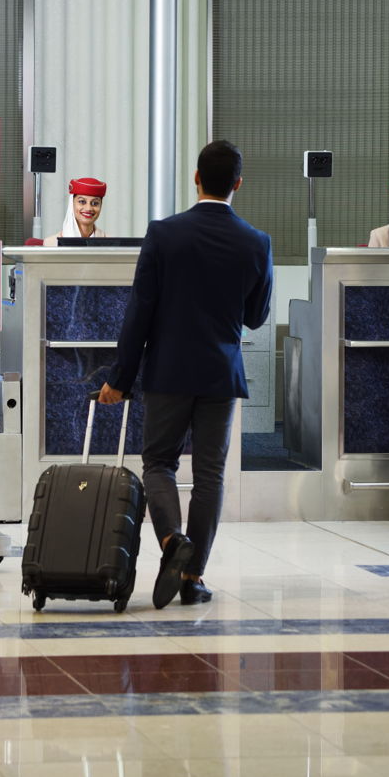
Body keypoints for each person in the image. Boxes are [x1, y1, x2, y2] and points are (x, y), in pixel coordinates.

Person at [98, 140, 273, 608]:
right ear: (238, 184)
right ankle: (193, 578)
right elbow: (257, 316)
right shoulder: (256, 242)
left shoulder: (163, 234)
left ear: (196, 178)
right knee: (210, 476)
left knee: (159, 463)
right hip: (220, 372)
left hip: (169, 371)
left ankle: (172, 540)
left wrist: (120, 378)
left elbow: (139, 312)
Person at [43, 177, 107, 245]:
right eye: (82, 202)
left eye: (95, 203)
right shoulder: (51, 243)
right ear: (71, 203)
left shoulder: (111, 243)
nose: (88, 208)